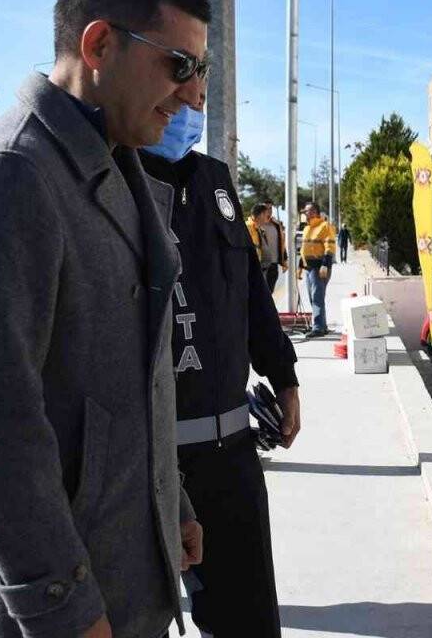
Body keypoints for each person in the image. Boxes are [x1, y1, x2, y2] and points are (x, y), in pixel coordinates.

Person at [0, 0, 210, 636]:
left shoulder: (115, 165)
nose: (193, 94)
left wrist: (171, 504)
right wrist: (61, 608)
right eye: (180, 64)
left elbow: (123, 392)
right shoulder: (7, 178)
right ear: (100, 43)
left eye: (201, 68)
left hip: (123, 587)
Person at [140, 97, 302, 636]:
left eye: (203, 87)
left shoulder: (213, 179)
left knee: (248, 622)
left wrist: (284, 375)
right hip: (145, 462)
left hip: (229, 456)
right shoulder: (110, 176)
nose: (191, 103)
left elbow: (252, 293)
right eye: (179, 75)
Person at [299, 202, 337, 337]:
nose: (305, 213)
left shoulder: (325, 226)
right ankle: (322, 325)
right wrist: (300, 267)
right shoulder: (307, 228)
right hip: (309, 268)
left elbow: (330, 247)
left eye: (307, 211)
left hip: (319, 267)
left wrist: (325, 265)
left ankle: (318, 327)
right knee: (313, 297)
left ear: (315, 212)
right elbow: (304, 249)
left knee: (317, 297)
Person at [247, 203, 288, 295]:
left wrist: (284, 260)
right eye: (266, 213)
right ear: (261, 214)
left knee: (267, 295)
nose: (268, 215)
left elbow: (281, 243)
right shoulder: (248, 228)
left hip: (268, 267)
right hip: (254, 269)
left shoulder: (265, 228)